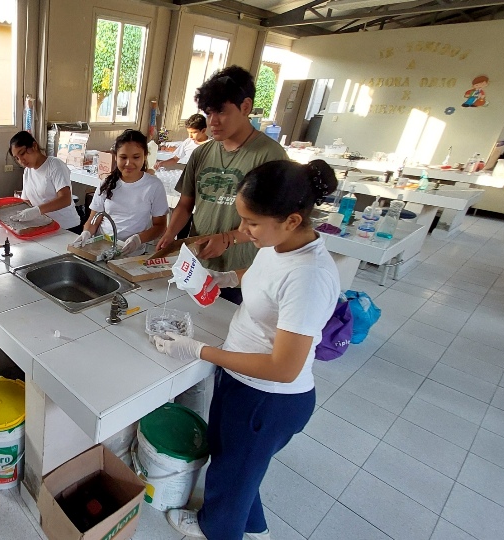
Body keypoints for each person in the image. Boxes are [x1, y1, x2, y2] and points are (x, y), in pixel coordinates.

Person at [154, 160, 340, 540]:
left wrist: (199, 350)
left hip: (268, 399)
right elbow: (263, 278)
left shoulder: (309, 277)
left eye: (251, 223)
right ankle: (253, 525)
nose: (242, 230)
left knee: (233, 470)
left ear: (291, 220)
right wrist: (223, 278)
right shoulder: (280, 243)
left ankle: (217, 529)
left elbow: (283, 368)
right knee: (237, 464)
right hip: (242, 381)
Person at [157, 66, 288, 304]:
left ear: (245, 107)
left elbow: (273, 223)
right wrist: (170, 234)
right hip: (199, 264)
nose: (213, 122)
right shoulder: (202, 153)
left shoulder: (270, 156)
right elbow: (185, 204)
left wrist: (229, 239)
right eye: (208, 113)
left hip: (241, 271)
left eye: (221, 112)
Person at [72, 129, 168, 257]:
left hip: (132, 253)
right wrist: (86, 233)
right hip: (101, 248)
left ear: (145, 156)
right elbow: (94, 219)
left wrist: (139, 239)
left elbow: (160, 226)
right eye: (123, 157)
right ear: (116, 156)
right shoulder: (107, 183)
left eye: (136, 157)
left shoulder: (154, 186)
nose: (128, 163)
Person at [7, 130, 82, 234]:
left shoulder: (55, 165)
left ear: (34, 146)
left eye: (22, 153)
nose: (21, 161)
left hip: (66, 227)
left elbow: (65, 199)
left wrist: (37, 210)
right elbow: (26, 201)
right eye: (17, 158)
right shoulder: (28, 171)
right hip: (45, 225)